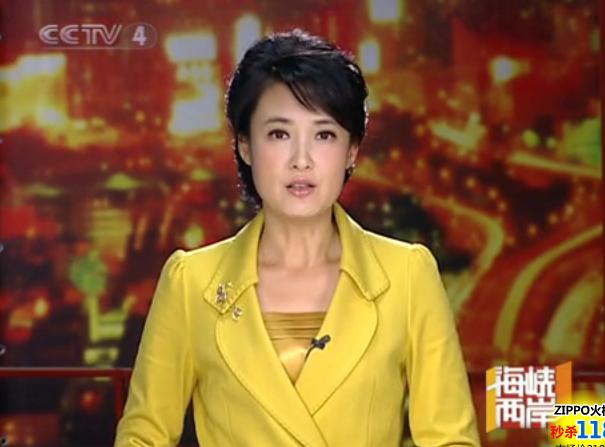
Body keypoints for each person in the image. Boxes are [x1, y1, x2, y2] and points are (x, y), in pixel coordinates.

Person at [114, 28, 480, 446]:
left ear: (352, 151)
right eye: (279, 134)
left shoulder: (407, 277)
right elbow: (144, 435)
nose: (301, 160)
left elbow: (451, 439)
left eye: (324, 135)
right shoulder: (191, 283)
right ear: (245, 145)